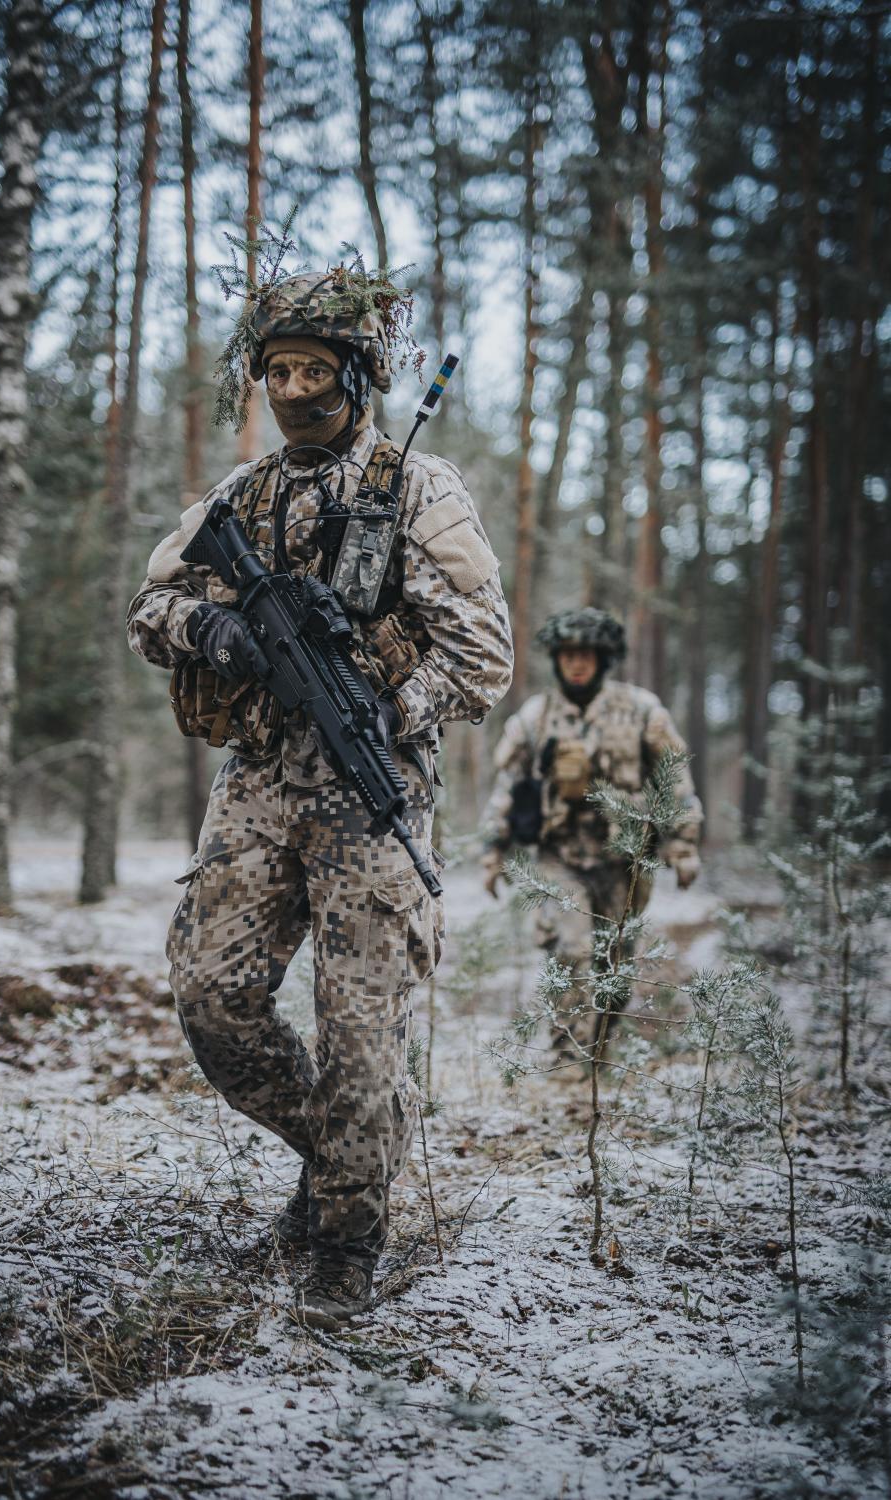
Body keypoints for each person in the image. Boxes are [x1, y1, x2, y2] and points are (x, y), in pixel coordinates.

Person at [127, 270, 513, 1328]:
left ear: (356, 374)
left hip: (369, 784)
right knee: (213, 999)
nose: (294, 388)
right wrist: (211, 630)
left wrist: (401, 702)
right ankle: (338, 1153)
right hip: (256, 779)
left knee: (360, 1030)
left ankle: (343, 1241)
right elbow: (148, 603)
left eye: (313, 369)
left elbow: (484, 653)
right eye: (277, 371)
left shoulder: (415, 488)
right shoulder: (237, 500)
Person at [481, 608, 701, 1049]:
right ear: (557, 659)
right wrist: (493, 851)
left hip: (624, 859)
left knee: (615, 962)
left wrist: (683, 845)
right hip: (558, 856)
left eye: (587, 654)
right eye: (568, 655)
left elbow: (674, 779)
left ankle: (599, 1047)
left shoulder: (641, 711)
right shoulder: (535, 717)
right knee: (570, 948)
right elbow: (508, 786)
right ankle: (566, 1050)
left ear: (604, 658)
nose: (577, 663)